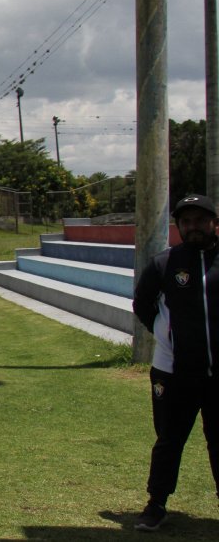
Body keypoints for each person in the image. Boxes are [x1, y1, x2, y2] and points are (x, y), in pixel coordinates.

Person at [131, 193, 219, 532]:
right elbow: (142, 303)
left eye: (199, 220)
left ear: (214, 223)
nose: (192, 226)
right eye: (186, 221)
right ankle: (156, 504)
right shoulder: (165, 263)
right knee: (169, 439)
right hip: (173, 371)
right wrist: (166, 334)